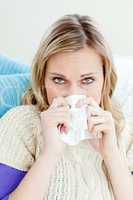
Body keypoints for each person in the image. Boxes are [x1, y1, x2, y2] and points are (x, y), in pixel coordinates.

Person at [0, 14, 133, 200]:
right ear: (42, 80)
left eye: (87, 80)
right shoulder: (21, 125)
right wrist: (50, 153)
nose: (73, 94)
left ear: (105, 81)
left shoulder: (124, 132)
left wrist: (111, 154)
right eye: (59, 80)